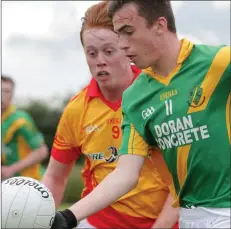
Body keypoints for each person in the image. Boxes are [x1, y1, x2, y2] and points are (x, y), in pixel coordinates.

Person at [50, 0, 231, 228]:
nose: (123, 45)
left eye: (128, 32)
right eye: (119, 35)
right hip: (189, 217)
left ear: (159, 25)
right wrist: (67, 217)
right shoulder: (136, 96)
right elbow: (125, 174)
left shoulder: (220, 63)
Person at [42, 1, 179, 229]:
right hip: (98, 223)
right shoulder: (77, 109)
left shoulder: (161, 97)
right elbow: (55, 177)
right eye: (92, 53)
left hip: (162, 222)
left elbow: (182, 181)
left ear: (127, 47)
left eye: (108, 51)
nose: (100, 61)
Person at [1, 75, 49, 180]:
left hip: (32, 181)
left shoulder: (20, 120)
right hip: (12, 183)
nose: (2, 95)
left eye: (6, 91)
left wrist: (11, 169)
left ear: (12, 95)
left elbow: (42, 151)